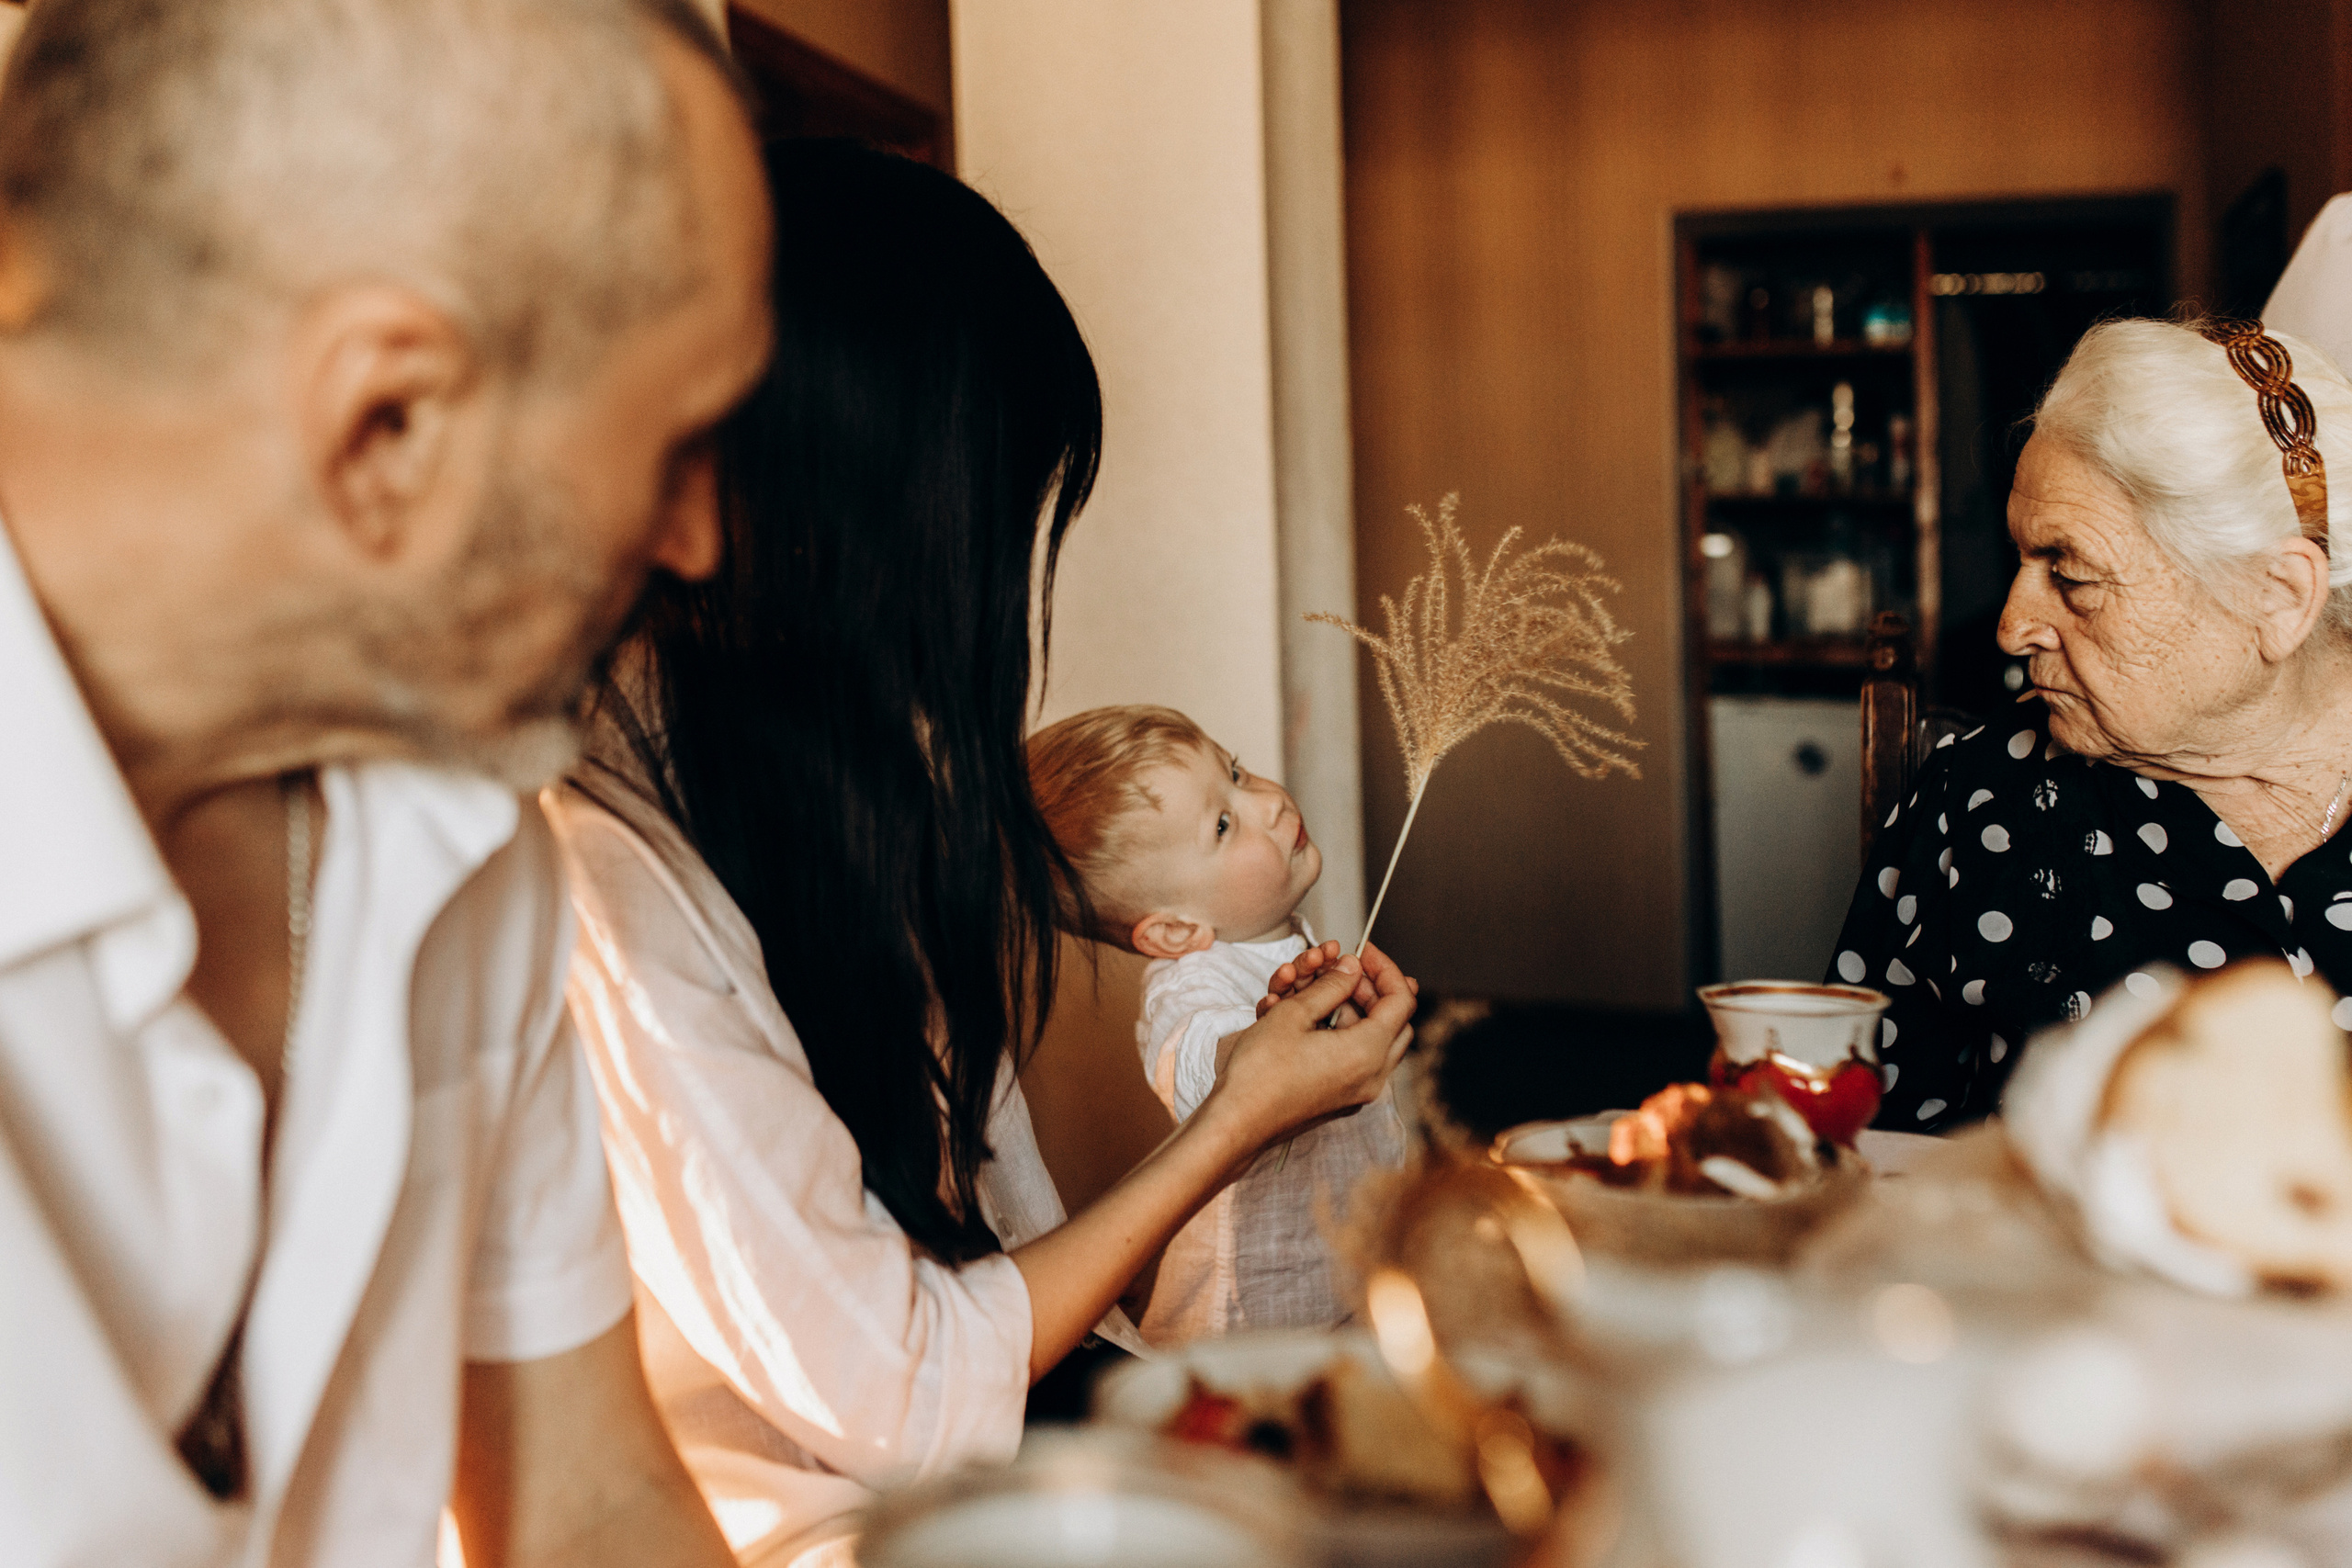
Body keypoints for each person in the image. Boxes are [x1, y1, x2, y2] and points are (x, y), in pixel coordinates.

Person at [546, 141, 1418, 1568]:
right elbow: (902, 1388)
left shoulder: (837, 786)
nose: (1001, 579)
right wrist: (1235, 1121)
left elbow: (990, 1237)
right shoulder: (606, 868)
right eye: (996, 517)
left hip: (990, 1457)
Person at [0, 3, 772, 1565]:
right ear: (390, 424)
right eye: (683, 438)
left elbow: (592, 1506)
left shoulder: (474, 843)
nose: (701, 538)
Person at [1827, 315, 2352, 1132]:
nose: (2011, 625)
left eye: (2070, 573)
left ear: (2278, 597)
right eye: (2025, 561)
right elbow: (1854, 1157)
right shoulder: (1976, 805)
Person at [1025, 704, 1408, 1345]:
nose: (1268, 803)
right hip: (1242, 1323)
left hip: (1349, 1289)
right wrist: (1265, 1038)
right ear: (1176, 929)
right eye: (1225, 823)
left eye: (1236, 769)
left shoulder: (1282, 940)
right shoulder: (1188, 985)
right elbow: (1204, 1062)